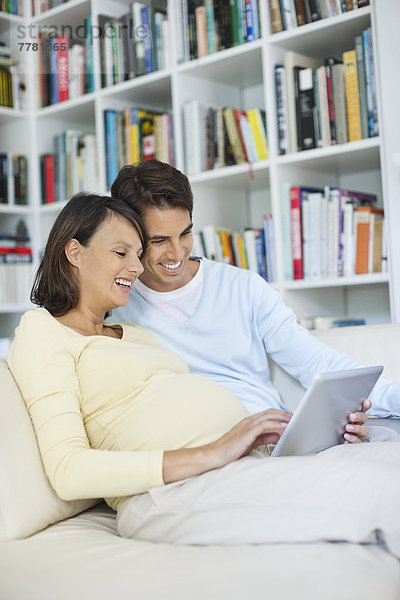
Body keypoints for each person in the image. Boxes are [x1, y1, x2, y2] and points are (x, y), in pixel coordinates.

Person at [6, 191, 400, 553]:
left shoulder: (135, 332)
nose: (137, 266)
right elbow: (68, 470)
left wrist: (292, 433)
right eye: (122, 252)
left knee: (385, 451)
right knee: (382, 492)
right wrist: (214, 451)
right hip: (173, 491)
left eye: (139, 252)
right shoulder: (43, 330)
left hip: (246, 462)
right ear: (74, 251)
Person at [110, 159, 400, 435]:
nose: (176, 253)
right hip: (200, 445)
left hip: (271, 436)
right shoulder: (116, 304)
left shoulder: (243, 287)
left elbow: (318, 363)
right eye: (159, 241)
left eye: (185, 234)